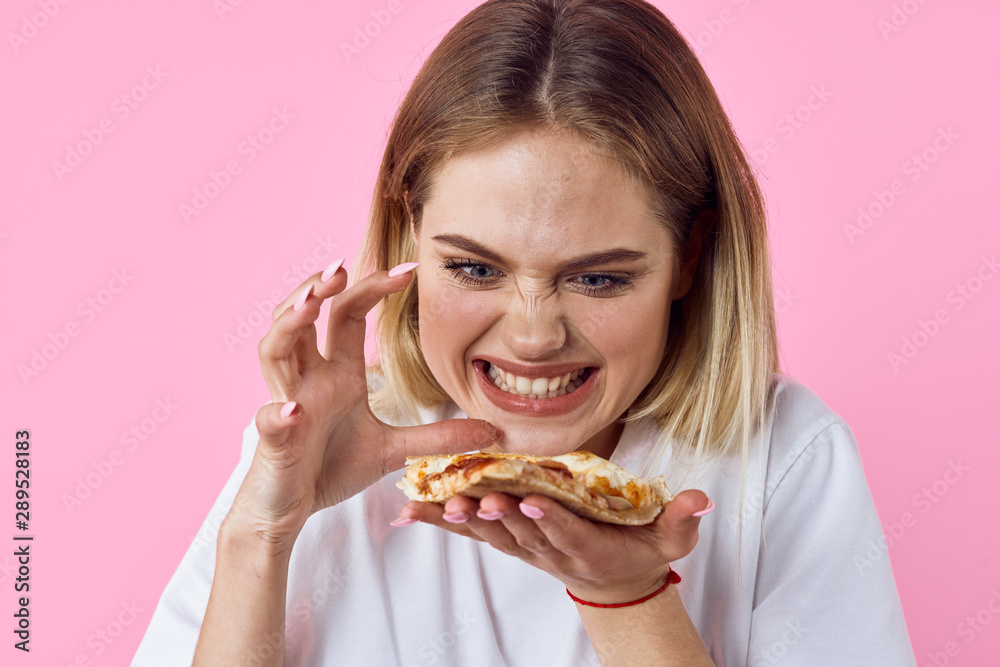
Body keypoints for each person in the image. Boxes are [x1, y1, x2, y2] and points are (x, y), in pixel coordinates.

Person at [134, 0, 916, 664]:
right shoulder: (319, 447)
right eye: (476, 269)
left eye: (598, 277)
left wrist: (627, 594)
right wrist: (263, 532)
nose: (535, 336)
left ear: (690, 258)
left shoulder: (787, 464)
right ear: (412, 227)